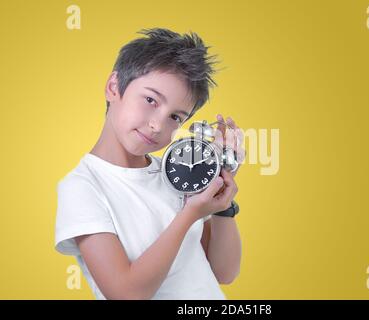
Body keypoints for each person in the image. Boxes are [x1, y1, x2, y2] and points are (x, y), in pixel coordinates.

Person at [54, 28, 245, 300]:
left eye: (176, 117)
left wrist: (221, 197)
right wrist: (189, 214)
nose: (157, 125)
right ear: (113, 87)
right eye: (150, 100)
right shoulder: (82, 187)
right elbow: (126, 295)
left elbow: (224, 273)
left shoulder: (176, 174)